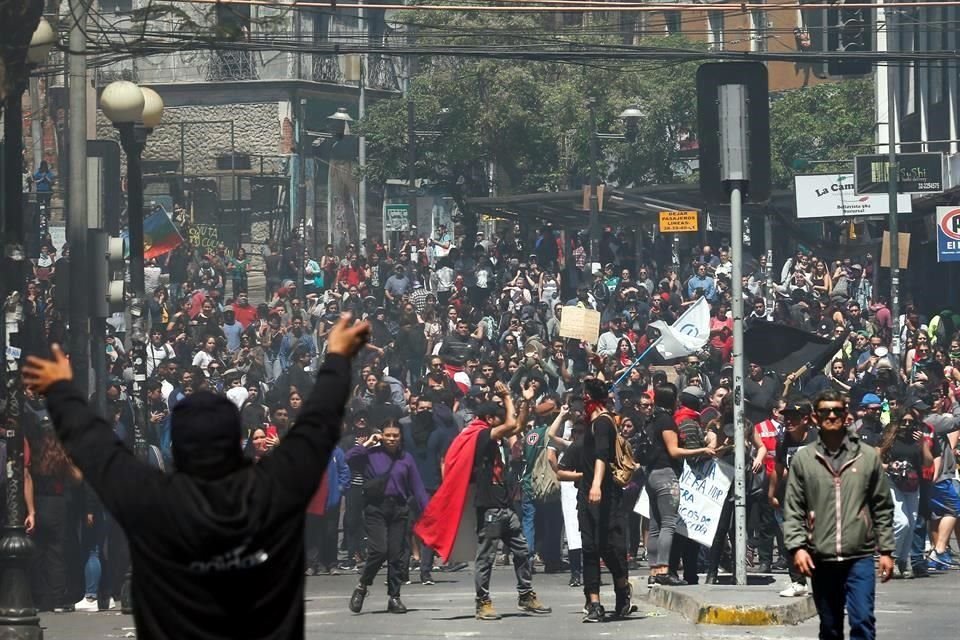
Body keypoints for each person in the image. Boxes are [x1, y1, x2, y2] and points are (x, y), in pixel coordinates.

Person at [23, 315, 371, 639]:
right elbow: (317, 424)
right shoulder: (271, 488)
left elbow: (98, 450)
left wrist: (61, 391)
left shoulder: (153, 497)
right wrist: (338, 358)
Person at [783, 390, 895, 640]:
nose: (831, 415)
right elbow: (793, 507)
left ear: (846, 416)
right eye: (825, 411)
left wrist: (886, 550)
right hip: (821, 557)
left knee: (863, 621)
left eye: (837, 411)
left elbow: (882, 505)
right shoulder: (804, 459)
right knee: (830, 626)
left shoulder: (867, 456)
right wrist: (797, 547)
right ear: (814, 417)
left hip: (860, 556)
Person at [347, 420, 430, 614]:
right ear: (381, 436)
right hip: (375, 508)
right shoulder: (370, 454)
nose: (391, 439)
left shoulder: (406, 458)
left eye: (395, 435)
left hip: (399, 509)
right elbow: (349, 457)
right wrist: (368, 443)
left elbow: (417, 487)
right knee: (379, 550)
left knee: (396, 555)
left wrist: (428, 511)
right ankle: (362, 586)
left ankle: (394, 597)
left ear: (401, 437)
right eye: (388, 435)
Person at [577, 378, 633, 622]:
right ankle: (594, 603)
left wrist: (597, 485)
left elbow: (601, 455)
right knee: (589, 549)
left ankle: (622, 589)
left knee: (608, 548)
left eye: (584, 396)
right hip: (586, 493)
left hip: (603, 494)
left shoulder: (602, 423)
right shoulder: (589, 422)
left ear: (590, 397)